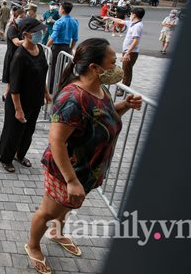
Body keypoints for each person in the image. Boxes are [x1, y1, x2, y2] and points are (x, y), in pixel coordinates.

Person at [25, 38, 142, 274]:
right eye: (113, 62)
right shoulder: (72, 98)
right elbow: (56, 140)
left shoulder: (100, 87)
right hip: (66, 172)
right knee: (48, 211)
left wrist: (125, 105)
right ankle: (33, 245)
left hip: (86, 171)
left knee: (65, 208)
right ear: (94, 67)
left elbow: (102, 116)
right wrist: (70, 180)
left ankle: (57, 233)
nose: (116, 66)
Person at [0, 18, 50, 173]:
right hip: (19, 102)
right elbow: (14, 87)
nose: (41, 34)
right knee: (13, 131)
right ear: (26, 34)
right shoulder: (20, 56)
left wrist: (46, 94)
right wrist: (18, 109)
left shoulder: (40, 49)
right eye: (37, 32)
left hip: (35, 100)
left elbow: (42, 74)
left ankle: (20, 155)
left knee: (28, 131)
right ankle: (6, 158)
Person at [104, 7, 145, 96]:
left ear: (134, 15)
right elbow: (121, 21)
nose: (130, 15)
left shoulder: (138, 26)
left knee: (126, 70)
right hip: (128, 51)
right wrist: (110, 18)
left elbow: (135, 41)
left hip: (131, 52)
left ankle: (123, 89)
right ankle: (124, 87)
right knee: (126, 69)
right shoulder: (133, 23)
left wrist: (128, 52)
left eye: (131, 14)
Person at [46, 2, 78, 93]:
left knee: (53, 68)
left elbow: (53, 37)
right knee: (61, 69)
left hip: (57, 48)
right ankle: (60, 87)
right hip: (66, 47)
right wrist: (71, 48)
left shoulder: (59, 22)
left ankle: (51, 88)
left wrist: (46, 47)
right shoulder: (74, 22)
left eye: (60, 8)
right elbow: (75, 38)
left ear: (63, 10)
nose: (59, 9)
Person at [1, 7, 26, 101]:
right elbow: (16, 42)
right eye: (21, 17)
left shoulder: (21, 28)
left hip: (18, 56)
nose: (22, 19)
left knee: (13, 79)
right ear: (15, 17)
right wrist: (28, 40)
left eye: (24, 17)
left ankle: (6, 95)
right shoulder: (12, 28)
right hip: (12, 56)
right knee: (12, 79)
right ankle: (7, 96)